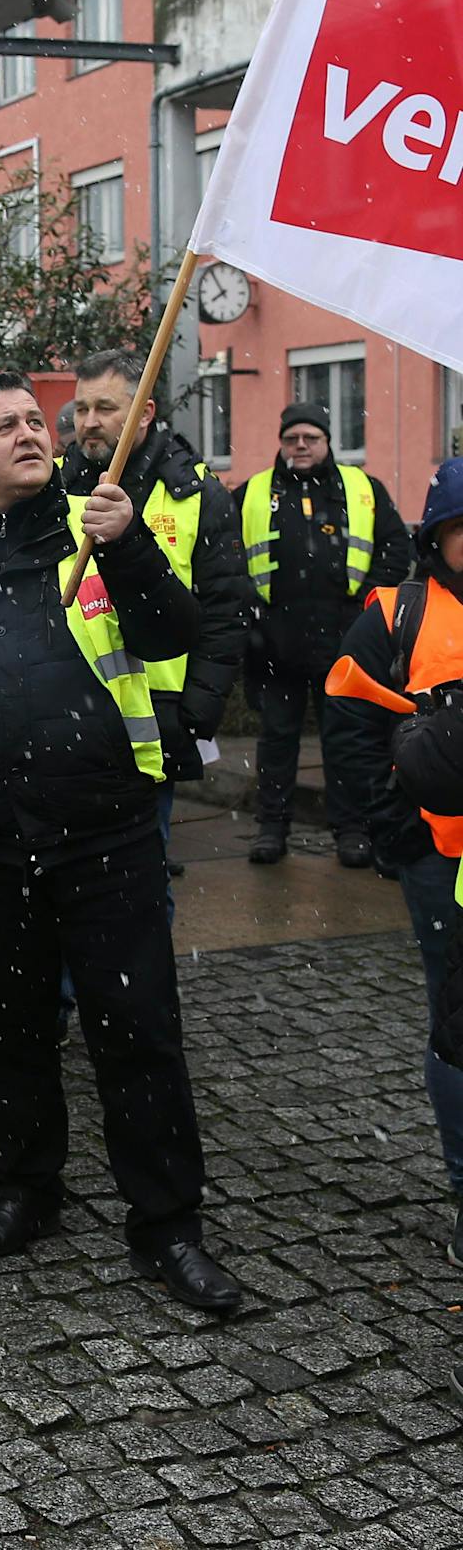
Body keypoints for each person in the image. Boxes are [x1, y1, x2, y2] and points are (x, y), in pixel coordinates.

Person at [0, 372, 240, 1313]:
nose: (32, 434)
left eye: (38, 420)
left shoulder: (98, 520)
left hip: (105, 831)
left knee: (137, 1034)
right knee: (6, 1036)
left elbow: (171, 629)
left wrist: (133, 545)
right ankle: (27, 1191)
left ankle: (168, 1227)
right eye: (6, 425)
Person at [325, 456, 463, 1269]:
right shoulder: (394, 613)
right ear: (437, 537)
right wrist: (390, 823)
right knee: (457, 1028)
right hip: (437, 861)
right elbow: (347, 721)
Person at [61, 349, 252, 921]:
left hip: (155, 718)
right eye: (81, 408)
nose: (88, 421)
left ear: (144, 413)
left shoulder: (194, 493)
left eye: (105, 408)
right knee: (68, 878)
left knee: (141, 878)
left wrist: (195, 713)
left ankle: (140, 1001)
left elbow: (225, 612)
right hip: (70, 712)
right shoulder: (51, 483)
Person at [237, 401, 410, 867]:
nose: (300, 446)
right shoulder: (253, 492)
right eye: (292, 438)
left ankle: (352, 832)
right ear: (281, 442)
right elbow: (227, 555)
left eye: (310, 438)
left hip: (345, 643)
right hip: (275, 642)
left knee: (345, 742)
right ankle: (271, 829)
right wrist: (251, 615)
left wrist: (368, 606)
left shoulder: (363, 488)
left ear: (327, 441)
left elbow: (398, 547)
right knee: (277, 741)